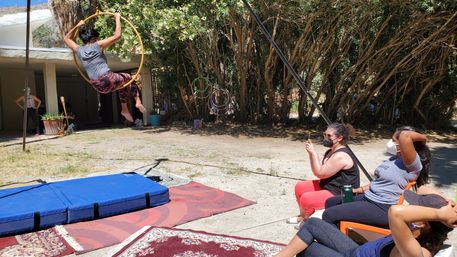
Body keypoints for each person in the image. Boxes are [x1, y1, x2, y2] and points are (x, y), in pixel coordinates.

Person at [274, 191, 457, 257]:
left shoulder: (418, 253)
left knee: (306, 250)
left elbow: (395, 212)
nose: (411, 206)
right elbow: (423, 189)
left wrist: (439, 213)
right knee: (313, 223)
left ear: (425, 221)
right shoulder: (418, 231)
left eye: (416, 207)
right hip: (358, 251)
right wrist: (448, 207)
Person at [322, 126, 430, 228]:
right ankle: (341, 232)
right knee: (330, 202)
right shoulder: (394, 159)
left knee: (329, 215)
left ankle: (338, 244)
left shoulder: (412, 164)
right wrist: (358, 190)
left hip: (382, 206)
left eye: (394, 140)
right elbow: (378, 182)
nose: (391, 143)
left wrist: (424, 138)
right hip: (369, 198)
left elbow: (405, 135)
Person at [64, 13, 145, 124]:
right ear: (95, 38)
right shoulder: (98, 45)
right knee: (129, 78)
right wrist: (117, 18)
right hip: (108, 79)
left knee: (122, 84)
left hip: (98, 86)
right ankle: (138, 101)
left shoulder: (79, 50)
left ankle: (125, 110)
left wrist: (78, 26)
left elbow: (67, 38)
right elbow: (117, 36)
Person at [287, 123, 360, 225]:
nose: (325, 137)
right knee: (300, 187)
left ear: (339, 138)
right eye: (325, 134)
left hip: (340, 192)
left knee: (306, 198)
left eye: (329, 136)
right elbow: (318, 167)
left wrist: (313, 153)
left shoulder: (341, 155)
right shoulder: (331, 151)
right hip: (328, 186)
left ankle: (307, 220)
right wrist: (312, 154)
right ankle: (302, 216)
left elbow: (320, 173)